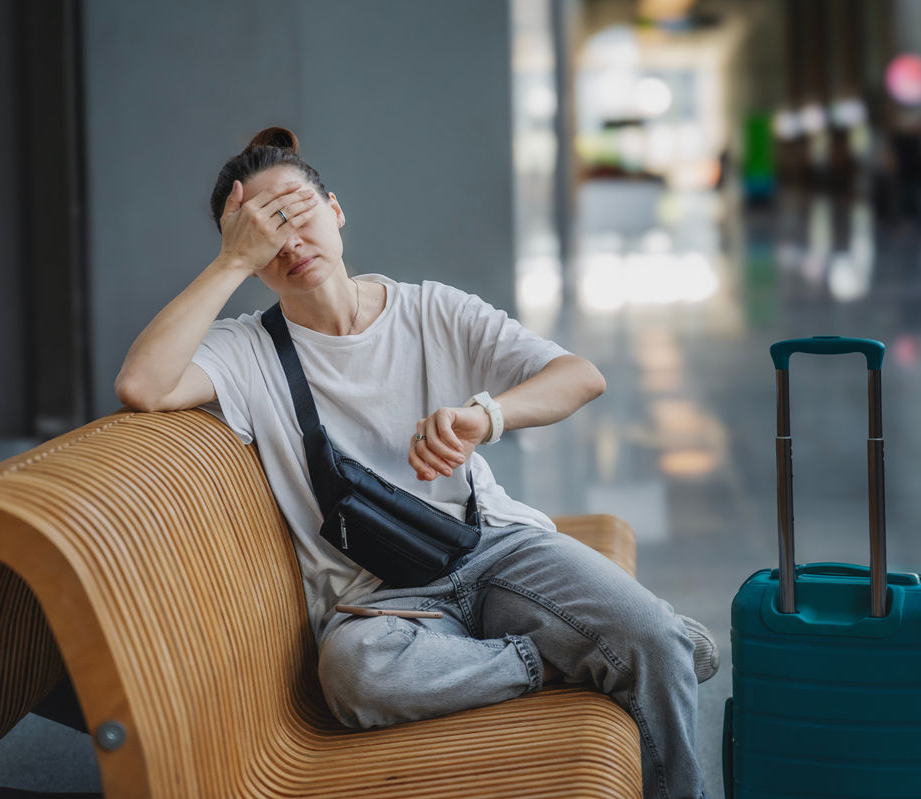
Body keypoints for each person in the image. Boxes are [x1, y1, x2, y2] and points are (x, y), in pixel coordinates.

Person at [114, 126, 718, 799]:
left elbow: (579, 376)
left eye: (296, 208)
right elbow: (143, 385)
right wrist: (227, 264)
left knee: (658, 639)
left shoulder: (431, 310)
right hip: (381, 606)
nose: (287, 238)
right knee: (353, 676)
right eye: (260, 230)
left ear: (336, 209)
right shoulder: (245, 350)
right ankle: (555, 656)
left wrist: (485, 416)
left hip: (494, 549)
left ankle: (622, 657)